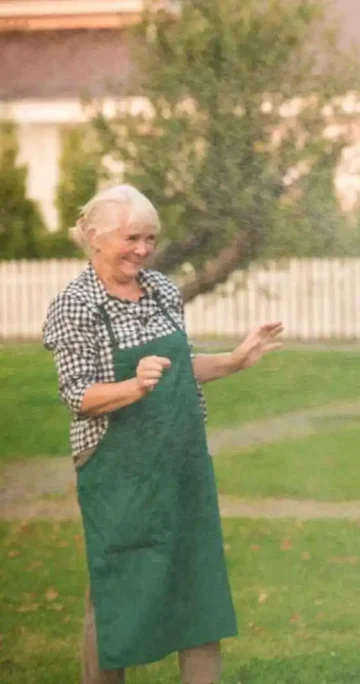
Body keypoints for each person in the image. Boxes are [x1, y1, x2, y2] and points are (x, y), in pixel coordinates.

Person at [42, 184, 284, 684]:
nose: (144, 250)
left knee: (198, 583)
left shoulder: (163, 290)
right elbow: (76, 393)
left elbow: (178, 370)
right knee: (117, 589)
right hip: (119, 470)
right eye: (132, 237)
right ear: (94, 237)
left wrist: (235, 361)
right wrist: (132, 387)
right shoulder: (76, 305)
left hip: (181, 461)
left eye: (150, 238)